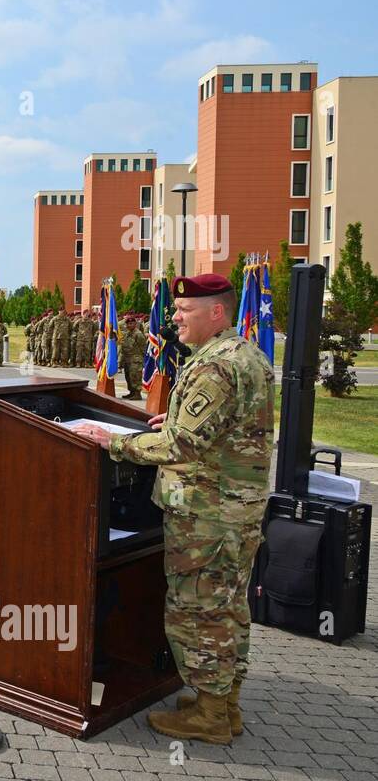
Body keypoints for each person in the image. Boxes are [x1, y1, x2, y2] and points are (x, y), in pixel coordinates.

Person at [71, 274, 274, 745]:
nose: (174, 318)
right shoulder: (244, 355)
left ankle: (209, 716)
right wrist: (175, 420)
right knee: (226, 609)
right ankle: (224, 705)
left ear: (217, 313)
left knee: (198, 612)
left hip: (209, 516)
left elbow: (183, 445)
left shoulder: (216, 367)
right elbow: (217, 428)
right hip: (233, 513)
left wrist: (115, 441)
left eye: (185, 311)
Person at [120, 314, 146, 399]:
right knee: (128, 376)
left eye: (132, 323)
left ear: (135, 324)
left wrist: (141, 359)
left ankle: (137, 393)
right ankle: (132, 392)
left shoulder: (138, 334)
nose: (130, 325)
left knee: (135, 376)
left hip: (136, 359)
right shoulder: (128, 333)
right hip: (128, 359)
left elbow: (143, 348)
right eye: (128, 324)